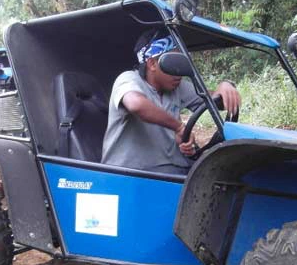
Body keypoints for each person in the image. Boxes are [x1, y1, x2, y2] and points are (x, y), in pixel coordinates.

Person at [100, 34, 241, 175]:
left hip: (170, 171)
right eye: (172, 64)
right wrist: (178, 127)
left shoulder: (177, 87)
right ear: (152, 64)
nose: (178, 72)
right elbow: (136, 104)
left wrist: (225, 87)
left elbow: (215, 101)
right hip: (127, 174)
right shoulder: (129, 79)